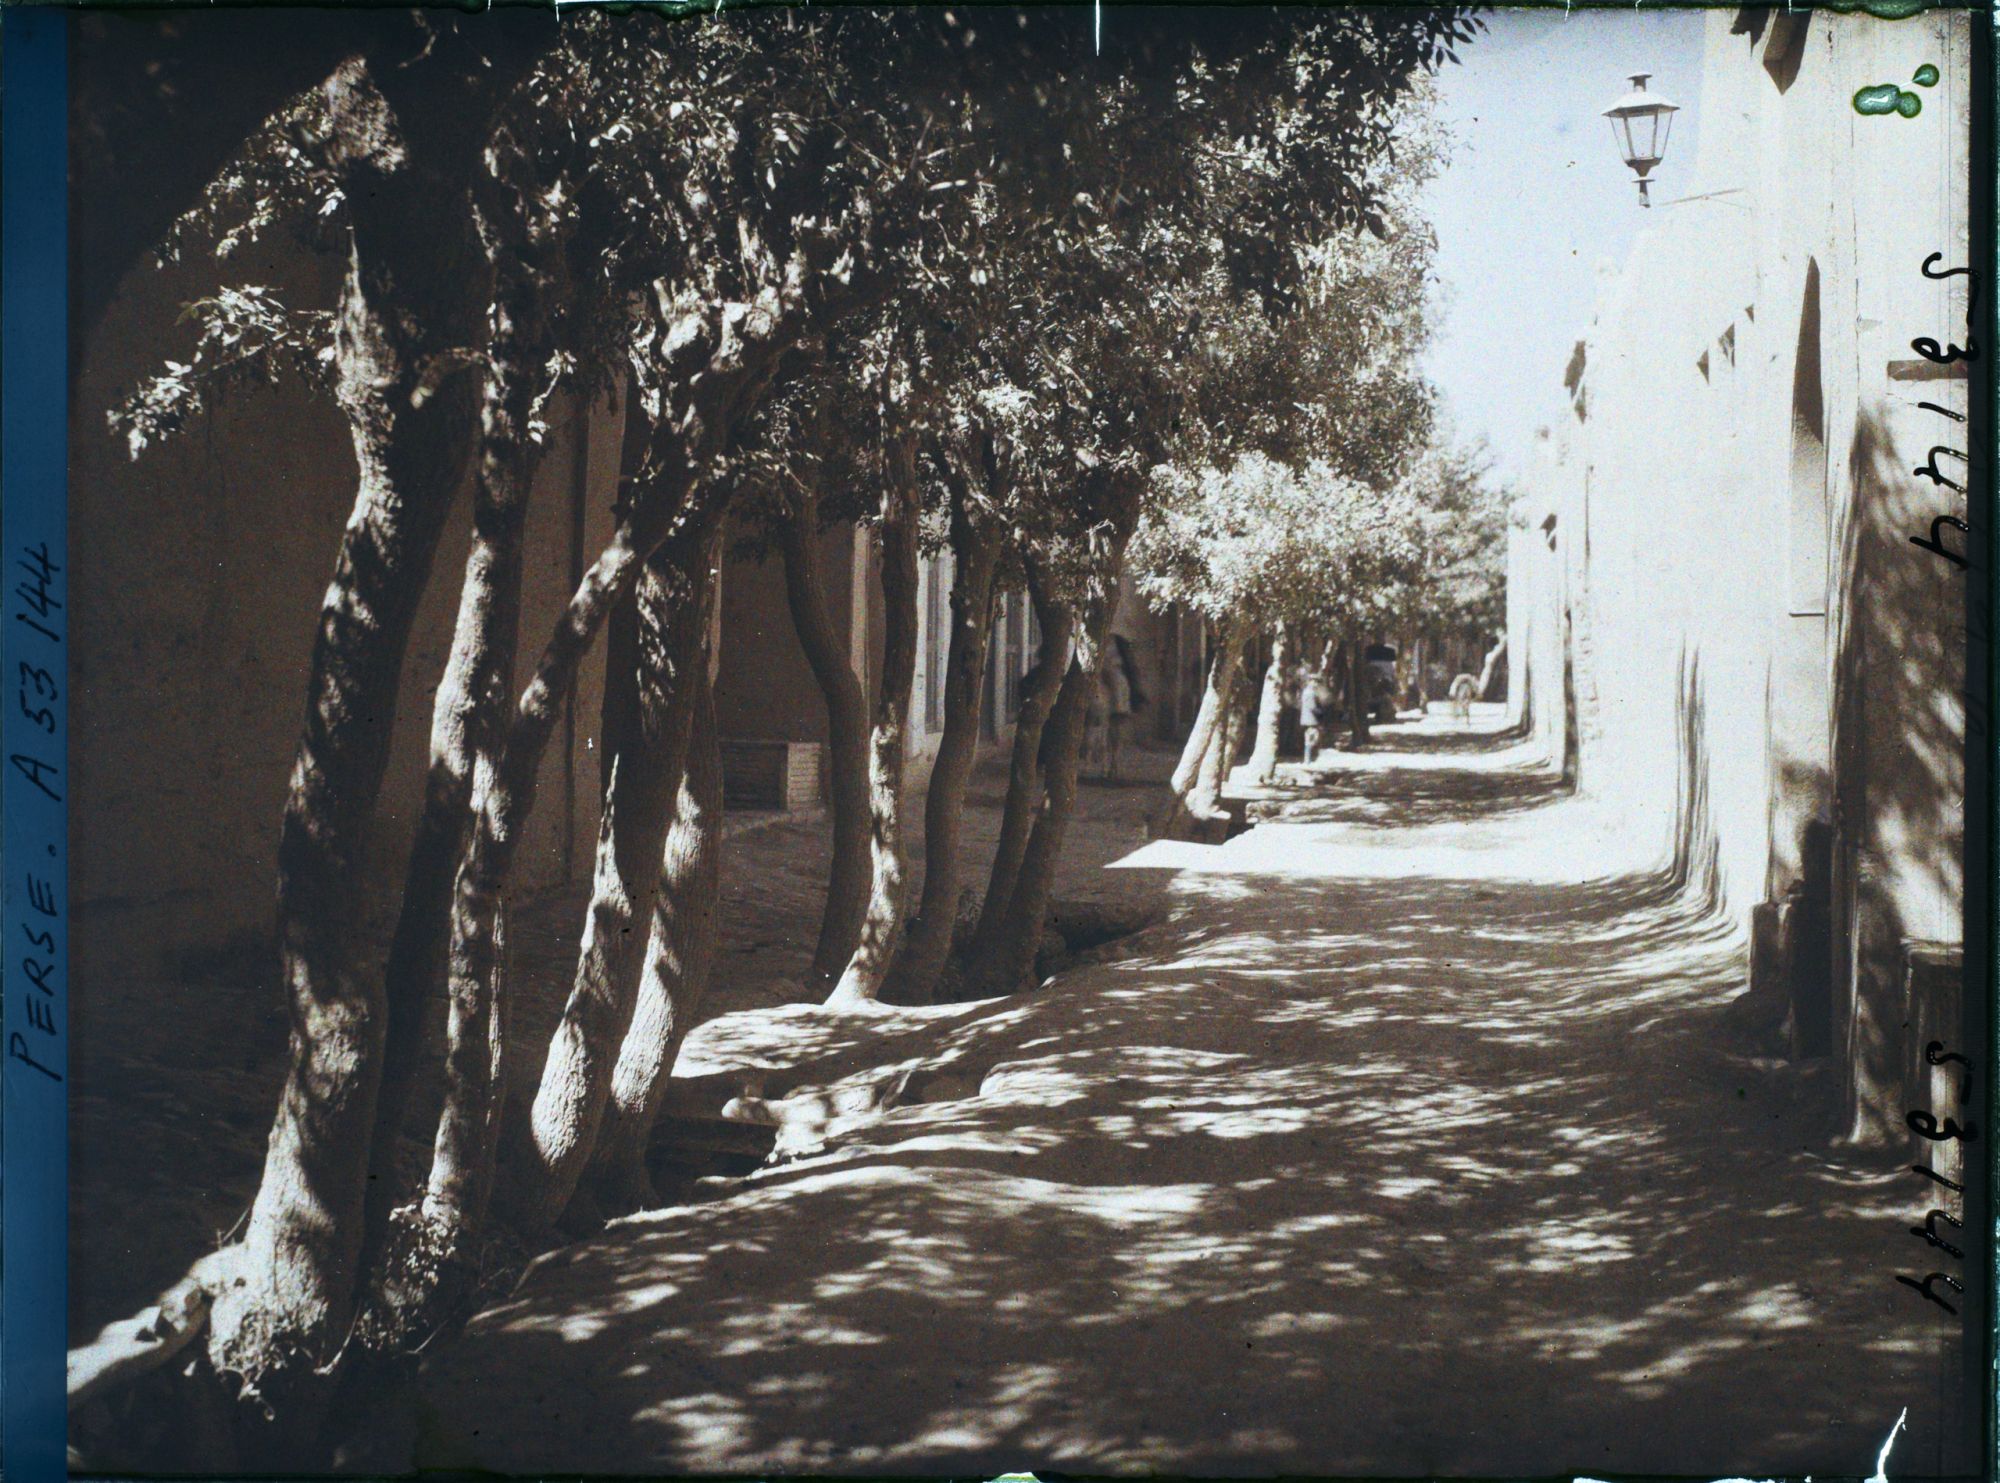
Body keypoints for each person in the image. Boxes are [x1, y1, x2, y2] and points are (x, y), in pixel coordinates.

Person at [1298, 663, 1330, 764]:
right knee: (1312, 739)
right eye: (1314, 682)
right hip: (1311, 719)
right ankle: (1308, 759)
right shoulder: (1310, 692)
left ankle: (1309, 758)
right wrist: (1321, 713)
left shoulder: (1307, 691)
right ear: (1310, 682)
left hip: (1308, 719)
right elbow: (1312, 707)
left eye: (1316, 682)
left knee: (1310, 739)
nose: (1316, 684)